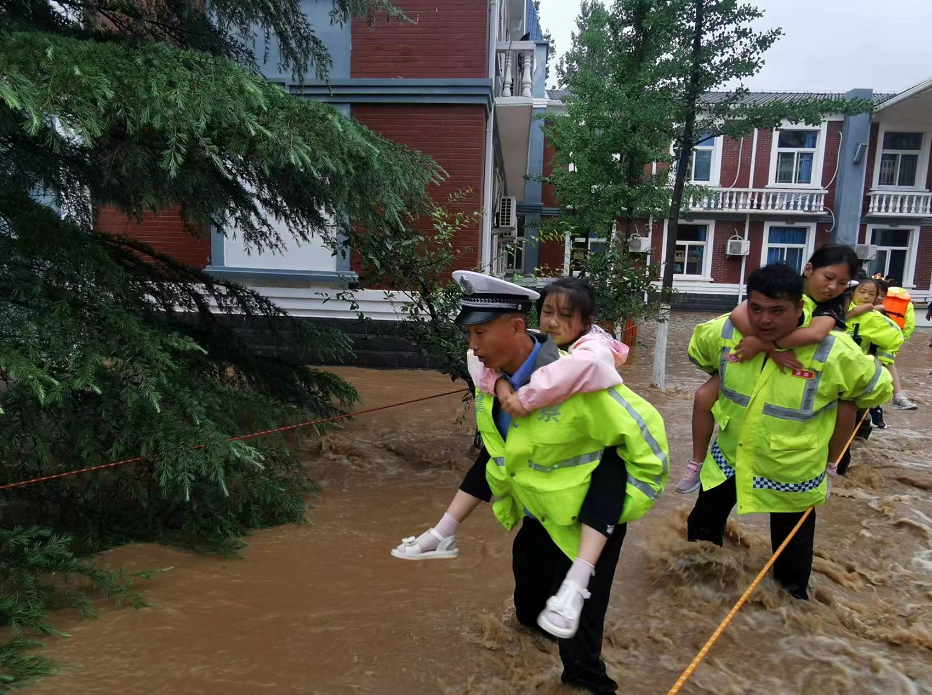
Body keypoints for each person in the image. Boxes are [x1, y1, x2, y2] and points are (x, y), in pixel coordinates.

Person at [398, 270, 669, 694]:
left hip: (589, 525)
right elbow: (497, 456)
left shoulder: (581, 379)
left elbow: (648, 447)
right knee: (528, 612)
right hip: (538, 516)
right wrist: (445, 529)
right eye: (468, 334)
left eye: (480, 333)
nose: (472, 346)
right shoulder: (488, 376)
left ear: (516, 327)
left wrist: (620, 509)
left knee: (580, 655)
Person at [685, 264, 892, 600]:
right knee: (702, 532)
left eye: (777, 311)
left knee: (791, 563)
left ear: (800, 309)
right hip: (731, 456)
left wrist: (838, 438)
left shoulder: (833, 350)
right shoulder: (725, 333)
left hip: (793, 467)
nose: (765, 320)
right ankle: (698, 598)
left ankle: (790, 617)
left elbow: (874, 390)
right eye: (756, 309)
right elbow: (702, 357)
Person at [676, 243, 860, 494]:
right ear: (808, 269)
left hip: (806, 368)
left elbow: (816, 333)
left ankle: (828, 468)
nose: (833, 287)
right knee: (703, 396)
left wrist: (764, 344)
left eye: (842, 283)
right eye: (828, 278)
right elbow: (737, 313)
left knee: (846, 407)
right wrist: (769, 350)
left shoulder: (833, 305)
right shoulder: (783, 285)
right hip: (760, 358)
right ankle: (697, 463)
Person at [846, 278, 906, 431]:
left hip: (858, 371)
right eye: (862, 292)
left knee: (852, 410)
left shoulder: (875, 317)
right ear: (852, 292)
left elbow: (896, 337)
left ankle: (867, 421)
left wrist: (881, 358)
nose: (866, 297)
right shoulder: (839, 307)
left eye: (871, 294)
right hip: (836, 367)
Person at [873, 280, 918, 411]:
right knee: (888, 366)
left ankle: (876, 407)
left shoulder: (866, 308)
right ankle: (896, 397)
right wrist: (900, 341)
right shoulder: (905, 302)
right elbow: (909, 324)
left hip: (873, 349)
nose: (879, 298)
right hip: (890, 344)